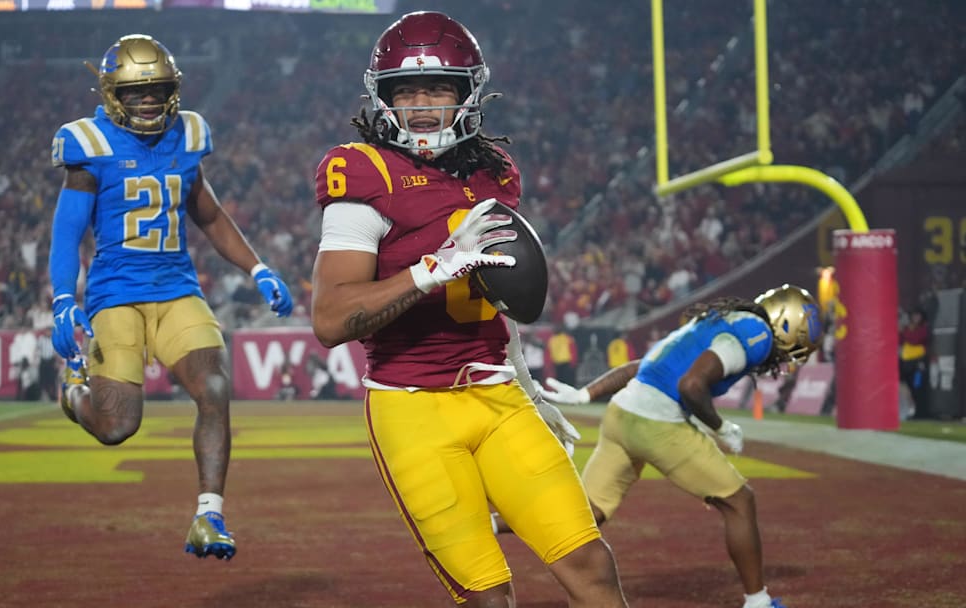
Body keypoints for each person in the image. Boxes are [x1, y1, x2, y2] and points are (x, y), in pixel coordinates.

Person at [309, 12, 628, 607]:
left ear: (468, 94)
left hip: (498, 396)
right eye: (406, 90)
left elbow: (495, 305)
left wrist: (528, 388)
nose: (422, 104)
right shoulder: (363, 170)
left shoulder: (495, 172)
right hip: (414, 411)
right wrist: (432, 269)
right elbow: (331, 319)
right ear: (383, 98)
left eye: (439, 88)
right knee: (489, 596)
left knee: (590, 564)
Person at [48, 34, 294, 561]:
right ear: (114, 94)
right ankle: (73, 393)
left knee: (214, 385)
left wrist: (258, 267)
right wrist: (63, 298)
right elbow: (67, 231)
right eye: (137, 93)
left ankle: (209, 514)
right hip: (116, 295)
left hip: (177, 286)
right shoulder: (89, 144)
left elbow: (207, 212)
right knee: (118, 426)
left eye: (158, 90)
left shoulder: (187, 136)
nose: (150, 101)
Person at [509, 284, 822, 608]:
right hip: (655, 422)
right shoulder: (757, 333)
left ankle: (492, 522)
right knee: (739, 502)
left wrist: (587, 393)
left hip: (621, 412)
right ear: (788, 327)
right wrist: (721, 428)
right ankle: (758, 602)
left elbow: (646, 366)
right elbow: (691, 385)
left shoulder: (721, 320)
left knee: (587, 511)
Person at [898, 307, 931, 419]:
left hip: (919, 363)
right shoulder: (907, 329)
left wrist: (905, 331)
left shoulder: (924, 329)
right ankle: (911, 411)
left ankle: (920, 412)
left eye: (918, 315)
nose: (915, 318)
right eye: (914, 315)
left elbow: (914, 339)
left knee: (918, 386)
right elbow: (900, 340)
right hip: (907, 363)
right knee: (908, 387)